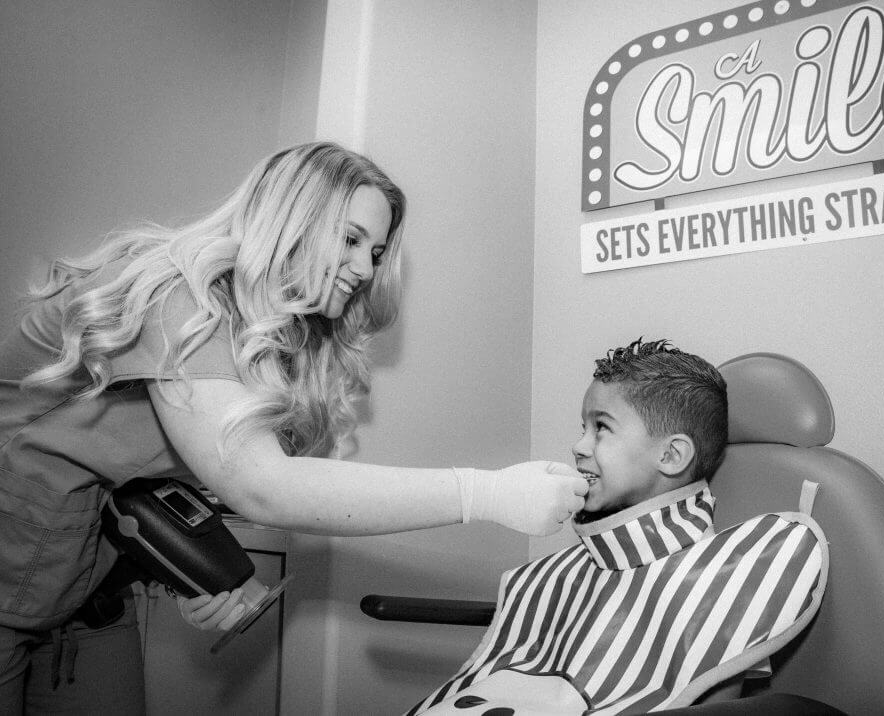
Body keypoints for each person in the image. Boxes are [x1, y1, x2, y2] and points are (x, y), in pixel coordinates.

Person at [0, 141, 587, 714]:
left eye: (376, 252)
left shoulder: (276, 339)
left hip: (84, 597)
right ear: (290, 220)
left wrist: (178, 571)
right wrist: (488, 492)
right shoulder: (182, 297)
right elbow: (263, 486)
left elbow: (129, 469)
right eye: (352, 240)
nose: (364, 268)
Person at [408, 339, 828, 716]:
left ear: (671, 455)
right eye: (582, 427)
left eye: (601, 428)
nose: (578, 445)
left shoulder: (727, 581)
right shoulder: (560, 574)